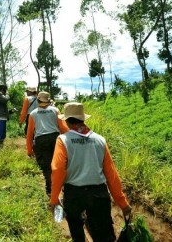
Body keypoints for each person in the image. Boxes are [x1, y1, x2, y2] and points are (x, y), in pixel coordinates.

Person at [50, 102, 132, 242]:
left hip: (74, 194)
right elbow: (111, 175)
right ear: (83, 119)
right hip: (98, 194)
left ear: (67, 121)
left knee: (77, 231)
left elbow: (58, 170)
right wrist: (123, 203)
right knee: (104, 236)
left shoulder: (63, 140)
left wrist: (54, 198)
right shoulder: (100, 140)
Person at [26, 91, 69, 196]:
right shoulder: (55, 110)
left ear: (38, 100)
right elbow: (62, 127)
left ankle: (50, 191)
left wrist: (29, 150)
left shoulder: (33, 113)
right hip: (55, 138)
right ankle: (64, 188)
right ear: (49, 100)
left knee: (47, 168)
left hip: (40, 141)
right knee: (60, 165)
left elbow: (30, 133)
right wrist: (70, 139)